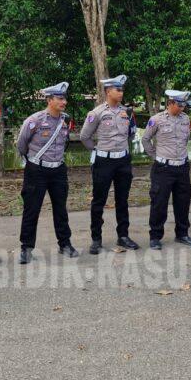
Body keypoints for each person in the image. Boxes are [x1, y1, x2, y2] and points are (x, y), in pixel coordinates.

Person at [16, 82, 77, 264]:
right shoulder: (34, 120)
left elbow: (65, 142)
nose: (64, 102)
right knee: (31, 210)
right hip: (37, 170)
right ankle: (26, 248)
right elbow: (21, 144)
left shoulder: (65, 120)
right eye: (60, 98)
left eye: (64, 98)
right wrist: (32, 162)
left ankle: (65, 244)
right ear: (49, 100)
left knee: (61, 209)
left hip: (58, 169)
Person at [80, 74, 139, 254]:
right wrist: (98, 152)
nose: (121, 93)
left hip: (123, 161)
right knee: (99, 201)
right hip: (103, 162)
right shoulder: (96, 113)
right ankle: (96, 239)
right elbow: (84, 137)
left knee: (122, 200)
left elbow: (130, 134)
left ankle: (123, 236)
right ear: (108, 91)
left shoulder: (127, 112)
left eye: (122, 89)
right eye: (118, 89)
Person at [142, 90, 191, 249]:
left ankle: (182, 234)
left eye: (184, 105)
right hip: (163, 168)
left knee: (183, 202)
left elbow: (185, 139)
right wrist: (157, 157)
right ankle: (155, 237)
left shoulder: (185, 119)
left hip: (182, 167)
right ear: (170, 103)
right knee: (159, 203)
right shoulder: (156, 120)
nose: (182, 108)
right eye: (179, 105)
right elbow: (145, 140)